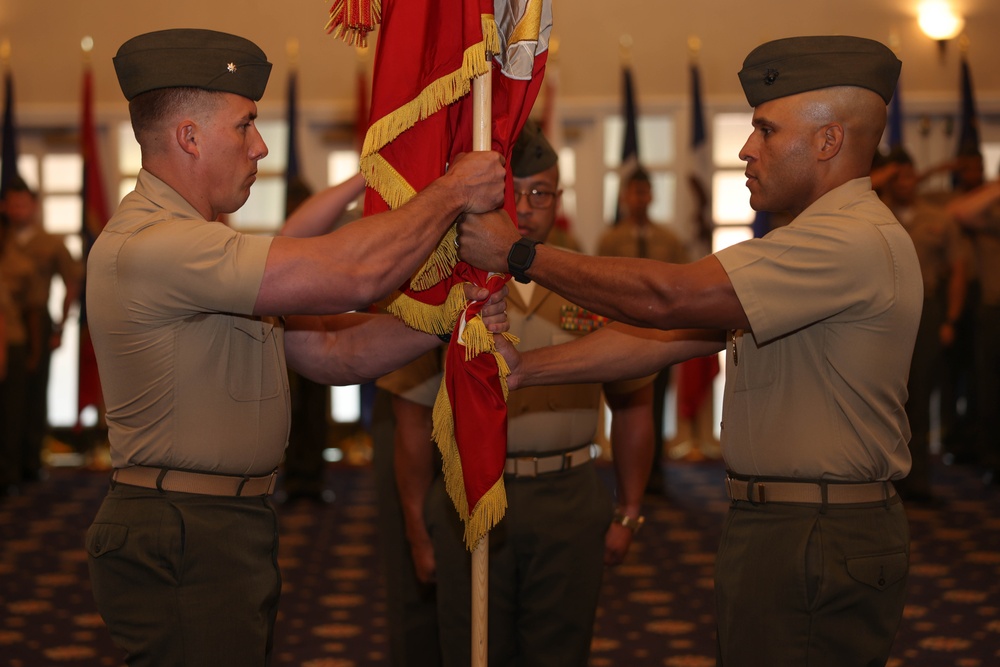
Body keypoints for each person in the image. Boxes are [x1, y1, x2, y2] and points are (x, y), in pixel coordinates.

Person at [458, 35, 920, 666]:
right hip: (790, 522)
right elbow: (662, 339)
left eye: (765, 130)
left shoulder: (847, 240)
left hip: (817, 530)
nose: (746, 148)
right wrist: (528, 368)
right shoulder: (816, 239)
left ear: (828, 140)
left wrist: (520, 255)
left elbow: (668, 300)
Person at [84, 28, 509, 667]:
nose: (260, 146)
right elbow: (353, 274)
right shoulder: (155, 245)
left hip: (221, 522)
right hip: (182, 525)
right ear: (189, 137)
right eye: (245, 125)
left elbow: (334, 356)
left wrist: (451, 318)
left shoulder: (196, 245)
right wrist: (450, 192)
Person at [394, 120, 655, 667]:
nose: (529, 208)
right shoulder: (448, 286)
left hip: (569, 497)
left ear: (559, 198)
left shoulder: (589, 282)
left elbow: (633, 401)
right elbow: (412, 419)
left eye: (542, 193)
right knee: (473, 650)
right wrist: (417, 528)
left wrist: (630, 509)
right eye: (515, 193)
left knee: (560, 650)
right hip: (472, 496)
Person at [597, 167, 689, 491]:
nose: (640, 198)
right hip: (623, 334)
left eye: (645, 191)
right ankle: (626, 472)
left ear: (651, 196)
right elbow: (600, 285)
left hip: (661, 336)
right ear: (625, 196)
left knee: (658, 401)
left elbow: (683, 283)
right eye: (634, 192)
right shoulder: (611, 239)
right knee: (625, 403)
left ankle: (655, 469)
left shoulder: (668, 240)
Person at [3, 176, 83, 482]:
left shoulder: (50, 242)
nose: (18, 211)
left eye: (23, 204)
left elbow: (71, 281)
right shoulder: (4, 239)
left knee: (35, 393)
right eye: (12, 205)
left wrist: (61, 325)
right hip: (7, 321)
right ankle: (8, 466)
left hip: (37, 321)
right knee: (9, 398)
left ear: (34, 206)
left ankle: (31, 462)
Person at [947, 166, 1000, 485]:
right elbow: (959, 213)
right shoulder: (991, 216)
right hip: (993, 309)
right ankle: (992, 458)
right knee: (988, 387)